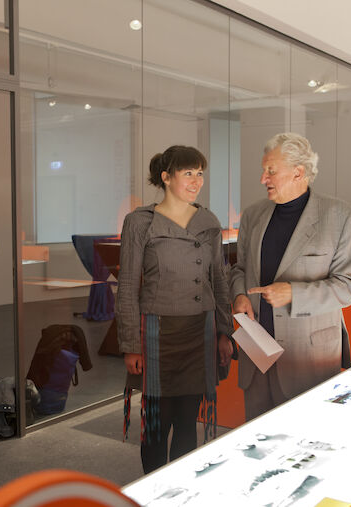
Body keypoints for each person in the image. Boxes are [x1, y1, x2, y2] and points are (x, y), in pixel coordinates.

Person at [229, 132, 351, 421]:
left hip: (308, 358)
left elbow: (349, 285)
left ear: (298, 172)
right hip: (257, 355)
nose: (263, 178)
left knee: (307, 444)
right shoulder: (253, 215)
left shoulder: (341, 216)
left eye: (270, 171)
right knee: (254, 443)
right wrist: (239, 295)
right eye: (264, 170)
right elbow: (240, 268)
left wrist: (294, 293)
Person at [116, 145, 235, 474]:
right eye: (188, 173)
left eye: (200, 173)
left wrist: (226, 332)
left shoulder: (208, 220)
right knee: (156, 424)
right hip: (157, 335)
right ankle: (153, 490)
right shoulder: (140, 222)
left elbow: (219, 281)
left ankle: (180, 490)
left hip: (201, 332)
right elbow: (127, 285)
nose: (196, 181)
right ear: (166, 178)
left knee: (187, 422)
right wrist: (130, 345)